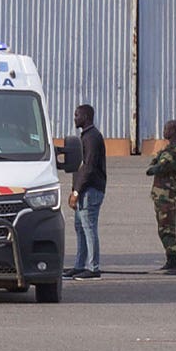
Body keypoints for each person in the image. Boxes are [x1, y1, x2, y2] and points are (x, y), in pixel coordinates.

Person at [66, 104, 107, 281]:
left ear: (86, 117)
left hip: (90, 190)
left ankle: (93, 267)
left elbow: (89, 168)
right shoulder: (87, 136)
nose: (75, 118)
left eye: (77, 115)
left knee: (89, 227)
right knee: (80, 228)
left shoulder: (92, 138)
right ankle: (79, 265)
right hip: (84, 189)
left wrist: (77, 191)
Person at [147, 119, 176, 273]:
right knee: (163, 228)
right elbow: (154, 162)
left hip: (167, 196)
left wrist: (154, 168)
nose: (164, 131)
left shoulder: (173, 151)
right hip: (161, 196)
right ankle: (170, 259)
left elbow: (160, 166)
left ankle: (172, 259)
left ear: (174, 131)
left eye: (167, 128)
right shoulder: (167, 149)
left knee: (167, 228)